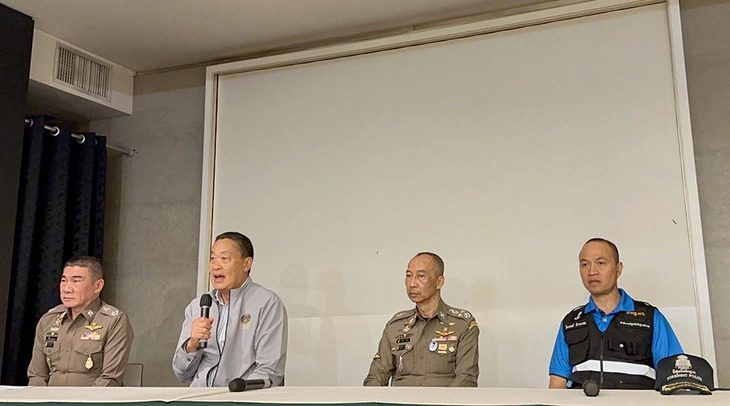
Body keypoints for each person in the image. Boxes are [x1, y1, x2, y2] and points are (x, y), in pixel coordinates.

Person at [548, 238, 683, 389]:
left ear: (619, 269)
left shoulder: (650, 318)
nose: (592, 271)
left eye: (601, 263)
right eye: (585, 264)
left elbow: (676, 380)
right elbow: (557, 387)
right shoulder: (571, 322)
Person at [173, 232, 287, 387]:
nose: (216, 266)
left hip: (240, 399)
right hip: (198, 398)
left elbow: (269, 371)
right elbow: (182, 374)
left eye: (224, 258)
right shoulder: (198, 306)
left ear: (247, 264)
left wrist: (236, 396)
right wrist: (192, 344)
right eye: (212, 259)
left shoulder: (266, 303)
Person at [364, 252, 479, 386]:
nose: (412, 283)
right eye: (408, 276)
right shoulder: (396, 326)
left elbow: (466, 379)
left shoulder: (462, 324)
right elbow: (377, 376)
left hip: (443, 403)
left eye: (420, 276)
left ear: (439, 282)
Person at [27, 256, 134, 386]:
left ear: (98, 286)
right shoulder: (48, 320)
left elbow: (110, 379)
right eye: (63, 280)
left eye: (76, 281)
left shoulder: (114, 321)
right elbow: (37, 375)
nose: (67, 289)